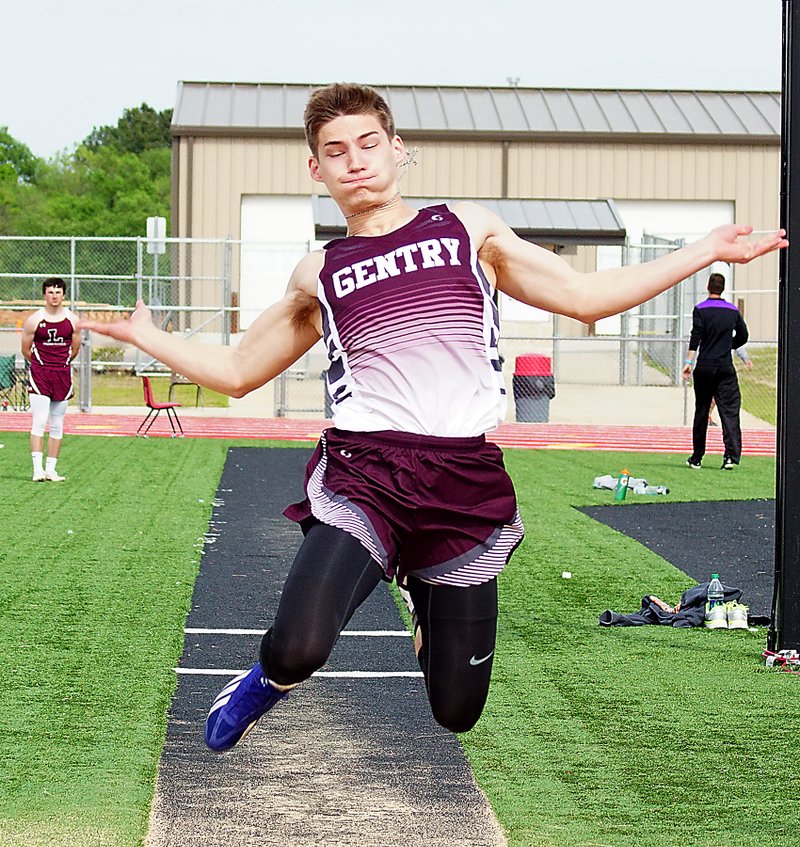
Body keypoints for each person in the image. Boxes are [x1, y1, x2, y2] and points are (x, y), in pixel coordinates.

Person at [77, 83, 787, 752]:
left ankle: (421, 587)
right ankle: (260, 683)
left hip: (462, 478)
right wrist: (147, 336)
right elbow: (236, 373)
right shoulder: (318, 271)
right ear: (315, 169)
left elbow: (586, 295)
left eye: (367, 143)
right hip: (367, 473)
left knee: (457, 710)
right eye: (336, 151)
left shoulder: (465, 227)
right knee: (298, 645)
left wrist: (705, 251)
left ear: (397, 147)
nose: (355, 161)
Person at [682, 272, 753, 470]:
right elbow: (744, 335)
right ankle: (730, 457)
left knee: (702, 411)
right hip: (724, 367)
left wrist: (689, 361)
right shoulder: (732, 311)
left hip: (704, 366)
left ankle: (697, 457)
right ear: (723, 288)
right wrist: (729, 344)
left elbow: (696, 336)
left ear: (708, 287)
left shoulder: (700, 309)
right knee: (729, 411)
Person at [22, 277, 80, 481]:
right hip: (40, 373)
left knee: (57, 423)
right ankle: (37, 469)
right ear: (44, 294)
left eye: (58, 292)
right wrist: (41, 365)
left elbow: (75, 349)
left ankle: (51, 469)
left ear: (63, 294)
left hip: (62, 374)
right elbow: (25, 349)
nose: (54, 296)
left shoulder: (72, 320)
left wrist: (60, 364)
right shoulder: (34, 320)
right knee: (39, 420)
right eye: (50, 292)